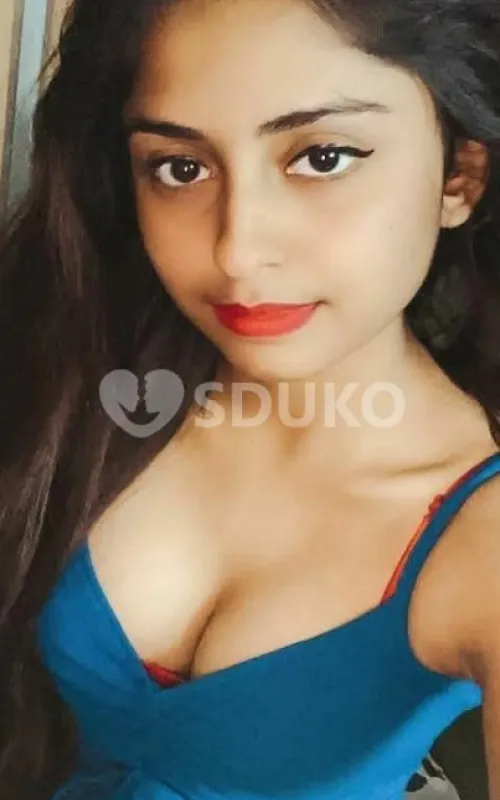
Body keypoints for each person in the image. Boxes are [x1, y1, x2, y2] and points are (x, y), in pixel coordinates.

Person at [0, 0, 499, 797]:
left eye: (324, 157)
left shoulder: (478, 538)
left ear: (459, 176)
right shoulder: (80, 369)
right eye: (179, 168)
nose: (237, 248)